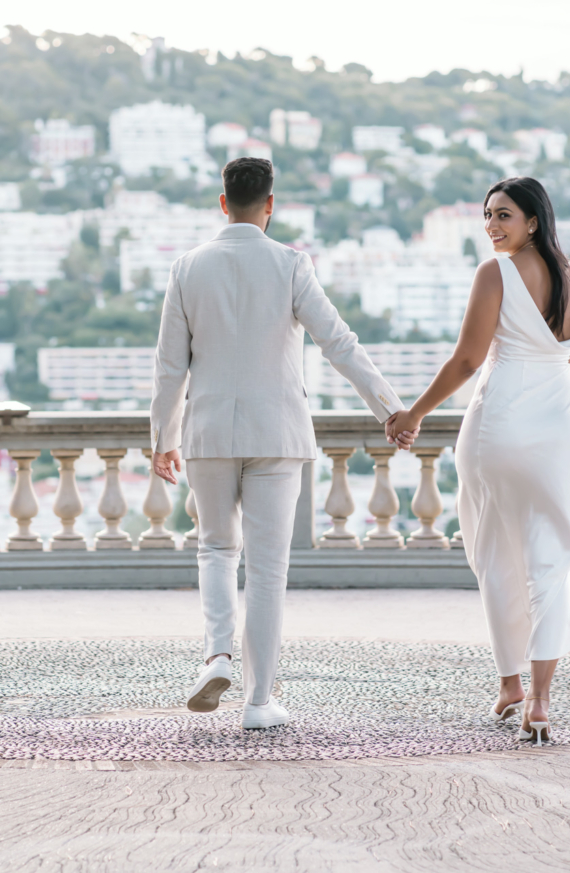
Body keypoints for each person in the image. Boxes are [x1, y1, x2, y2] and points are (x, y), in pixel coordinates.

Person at [151, 156, 404, 730]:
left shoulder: (187, 267)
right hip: (279, 433)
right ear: (270, 205)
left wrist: (161, 437)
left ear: (223, 203)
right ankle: (257, 702)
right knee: (267, 570)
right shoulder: (291, 264)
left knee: (216, 549)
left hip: (208, 431)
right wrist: (389, 407)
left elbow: (170, 367)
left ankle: (217, 655)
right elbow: (339, 343)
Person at [385, 176, 570, 745]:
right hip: (564, 429)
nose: (492, 226)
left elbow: (467, 360)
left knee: (494, 554)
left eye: (504, 216)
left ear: (533, 221)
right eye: (488, 215)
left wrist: (412, 413)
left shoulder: (496, 274)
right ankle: (538, 701)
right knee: (552, 561)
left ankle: (512, 683)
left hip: (502, 427)